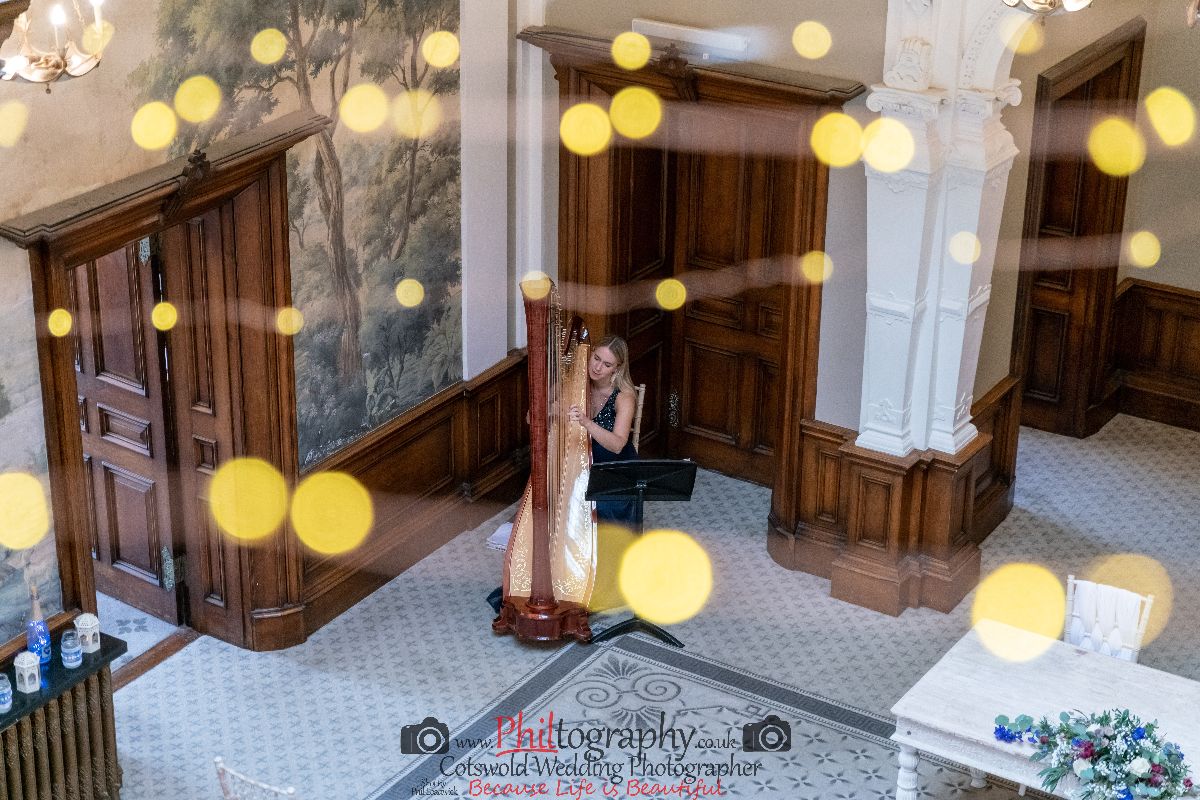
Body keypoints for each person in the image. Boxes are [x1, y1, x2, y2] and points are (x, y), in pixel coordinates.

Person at [568, 335, 639, 525]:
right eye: (596, 358)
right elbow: (533, 417)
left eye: (607, 364)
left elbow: (617, 445)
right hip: (581, 460)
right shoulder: (575, 384)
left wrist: (587, 422)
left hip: (614, 467)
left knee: (603, 504)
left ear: (617, 368)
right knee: (561, 492)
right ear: (590, 354)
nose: (597, 367)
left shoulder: (623, 397)